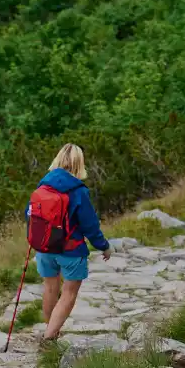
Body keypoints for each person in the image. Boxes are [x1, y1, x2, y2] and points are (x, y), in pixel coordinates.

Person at [27, 143, 111, 342]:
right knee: (69, 293)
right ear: (79, 163)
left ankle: (50, 330)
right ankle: (49, 337)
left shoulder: (43, 186)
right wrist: (104, 246)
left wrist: (35, 239)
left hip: (45, 248)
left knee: (50, 288)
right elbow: (90, 225)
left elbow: (30, 215)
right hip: (70, 251)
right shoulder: (79, 191)